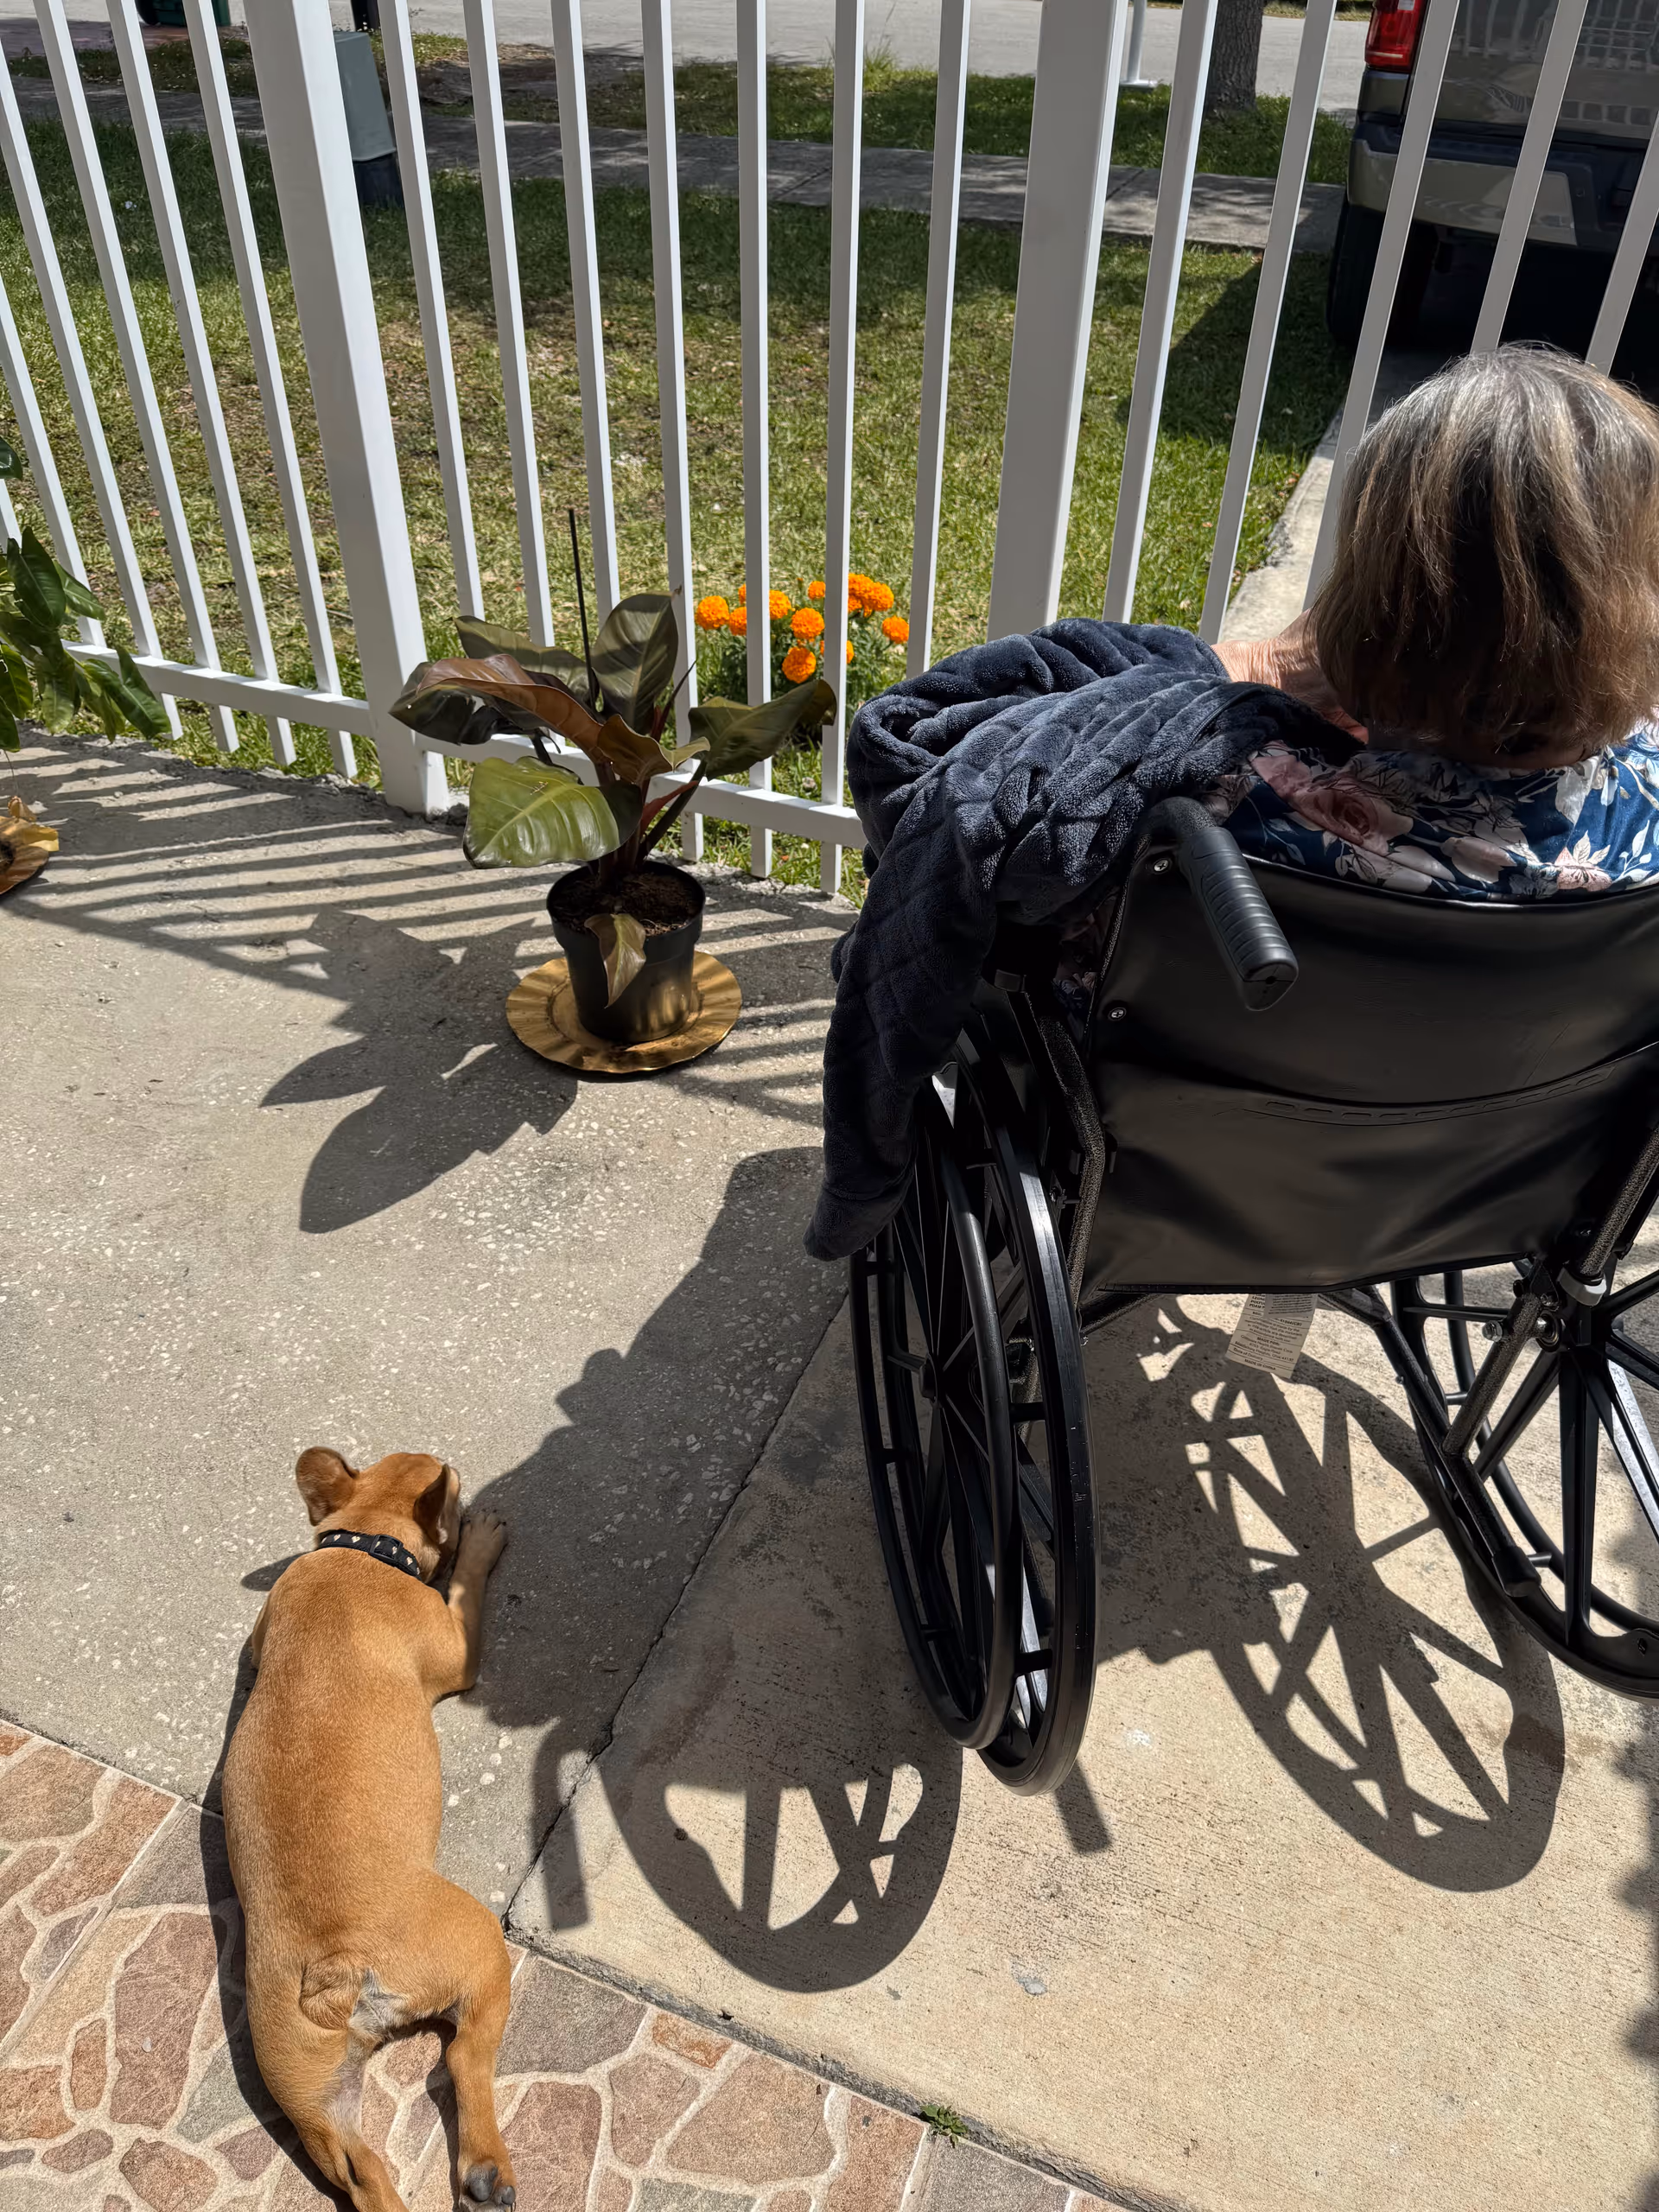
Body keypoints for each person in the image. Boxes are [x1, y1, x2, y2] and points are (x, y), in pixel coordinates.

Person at [1209, 346, 1659, 899]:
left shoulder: (1239, 807)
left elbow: (1088, 726)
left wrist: (1266, 664)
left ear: (1373, 610)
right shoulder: (1644, 822)